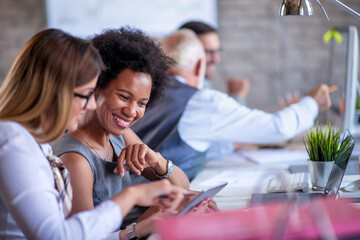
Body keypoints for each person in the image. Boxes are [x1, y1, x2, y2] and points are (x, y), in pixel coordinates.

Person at [0, 28, 186, 240]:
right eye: (87, 94)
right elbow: (55, 236)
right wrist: (133, 197)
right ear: (55, 90)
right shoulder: (11, 140)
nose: (90, 105)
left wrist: (147, 224)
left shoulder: (32, 142)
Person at [131, 29, 332, 180]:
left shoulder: (141, 93)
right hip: (158, 207)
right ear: (200, 64)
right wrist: (312, 102)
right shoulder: (203, 101)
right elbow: (279, 128)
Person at [51, 27, 191, 230]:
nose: (132, 111)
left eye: (142, 103)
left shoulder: (119, 134)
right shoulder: (76, 159)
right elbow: (86, 236)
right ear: (95, 88)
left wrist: (156, 159)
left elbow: (182, 186)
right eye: (124, 97)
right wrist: (158, 216)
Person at [179, 20, 250, 105]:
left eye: (217, 51)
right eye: (207, 52)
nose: (216, 59)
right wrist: (237, 98)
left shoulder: (204, 83)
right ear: (183, 52)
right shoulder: (177, 92)